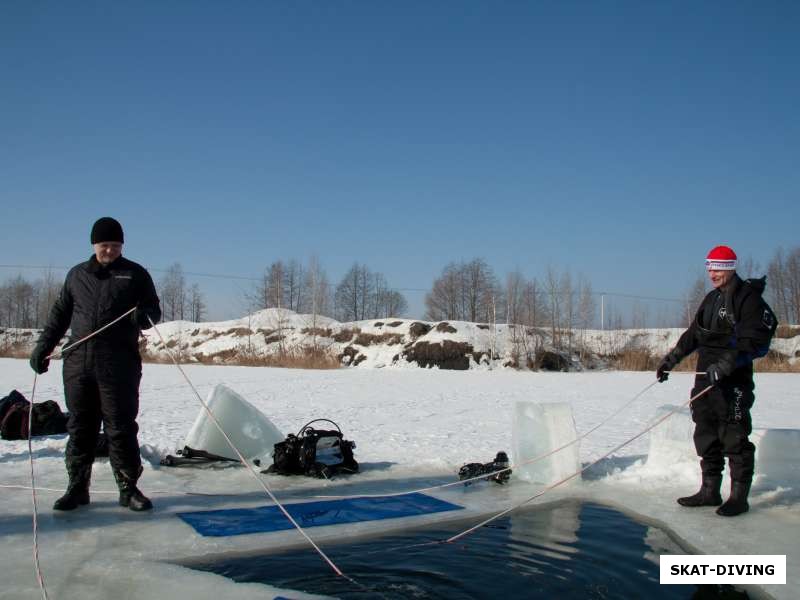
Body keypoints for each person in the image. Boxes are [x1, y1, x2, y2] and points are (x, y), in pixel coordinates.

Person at [29, 217, 161, 512]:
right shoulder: (77, 276)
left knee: (120, 427)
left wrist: (144, 316)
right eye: (105, 246)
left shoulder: (135, 274)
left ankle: (128, 489)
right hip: (78, 364)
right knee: (80, 427)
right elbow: (59, 315)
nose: (110, 251)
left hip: (119, 364)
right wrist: (43, 348)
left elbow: (154, 309)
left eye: (115, 246)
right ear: (94, 245)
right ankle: (77, 488)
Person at [656, 245, 777, 517]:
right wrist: (671, 359)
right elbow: (694, 335)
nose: (712, 272)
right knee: (705, 431)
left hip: (732, 380)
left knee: (734, 434)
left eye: (718, 267)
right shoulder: (711, 298)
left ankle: (738, 497)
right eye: (709, 267)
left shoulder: (748, 299)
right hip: (705, 378)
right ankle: (710, 490)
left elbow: (756, 340)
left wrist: (726, 365)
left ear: (731, 267)